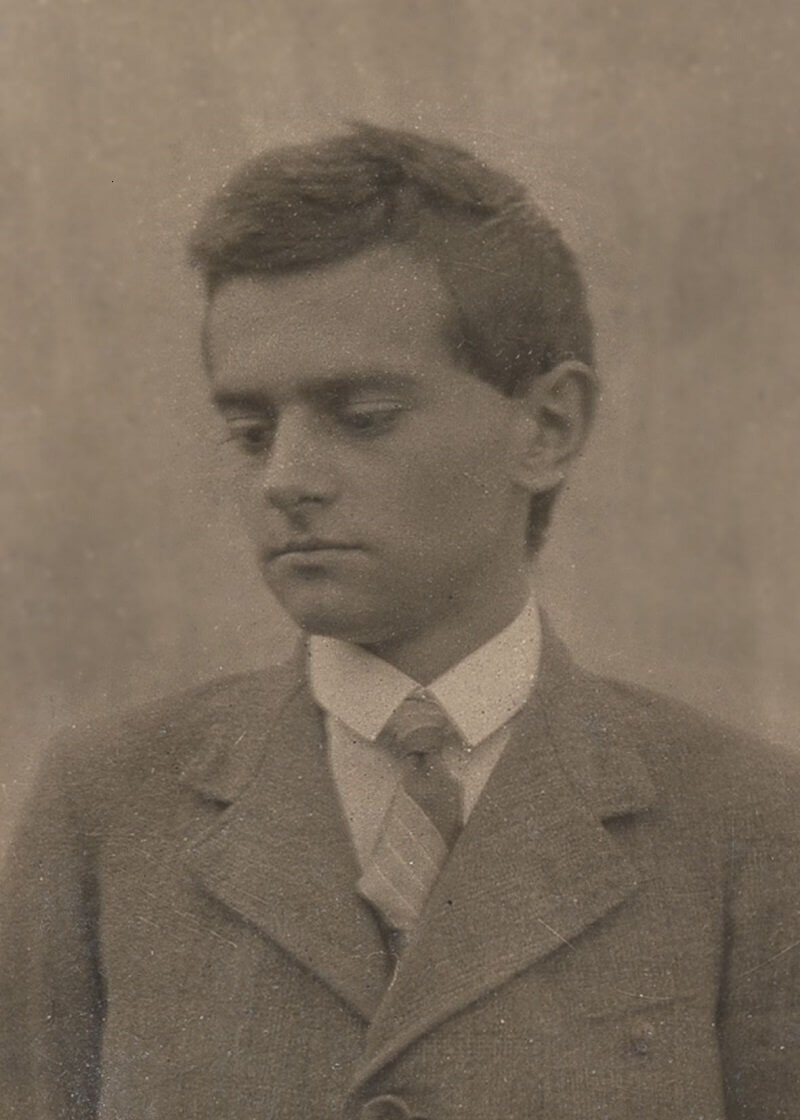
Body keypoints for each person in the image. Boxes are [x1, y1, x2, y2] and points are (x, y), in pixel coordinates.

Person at [2, 124, 799, 1120]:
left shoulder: (745, 823)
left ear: (547, 428)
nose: (286, 478)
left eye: (363, 417)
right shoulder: (106, 811)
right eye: (250, 431)